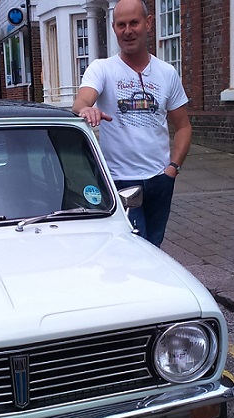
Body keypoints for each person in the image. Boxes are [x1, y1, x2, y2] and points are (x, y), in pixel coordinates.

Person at [73, 0, 192, 247]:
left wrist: (172, 169)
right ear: (114, 28)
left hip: (160, 180)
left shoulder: (166, 73)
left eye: (134, 23)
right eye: (121, 25)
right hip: (120, 182)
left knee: (154, 247)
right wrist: (86, 108)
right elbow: (82, 100)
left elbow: (183, 126)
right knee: (135, 250)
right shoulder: (102, 69)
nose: (127, 31)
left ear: (147, 24)